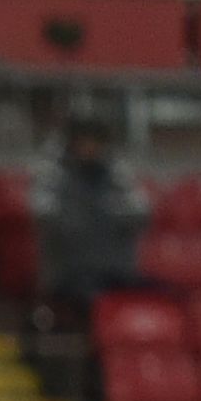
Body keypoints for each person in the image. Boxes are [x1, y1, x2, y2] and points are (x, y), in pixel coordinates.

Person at [29, 112, 149, 313]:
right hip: (69, 272)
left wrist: (110, 215)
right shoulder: (53, 174)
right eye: (84, 142)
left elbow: (140, 212)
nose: (90, 148)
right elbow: (45, 215)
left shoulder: (116, 173)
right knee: (95, 300)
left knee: (158, 295)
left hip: (115, 268)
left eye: (96, 142)